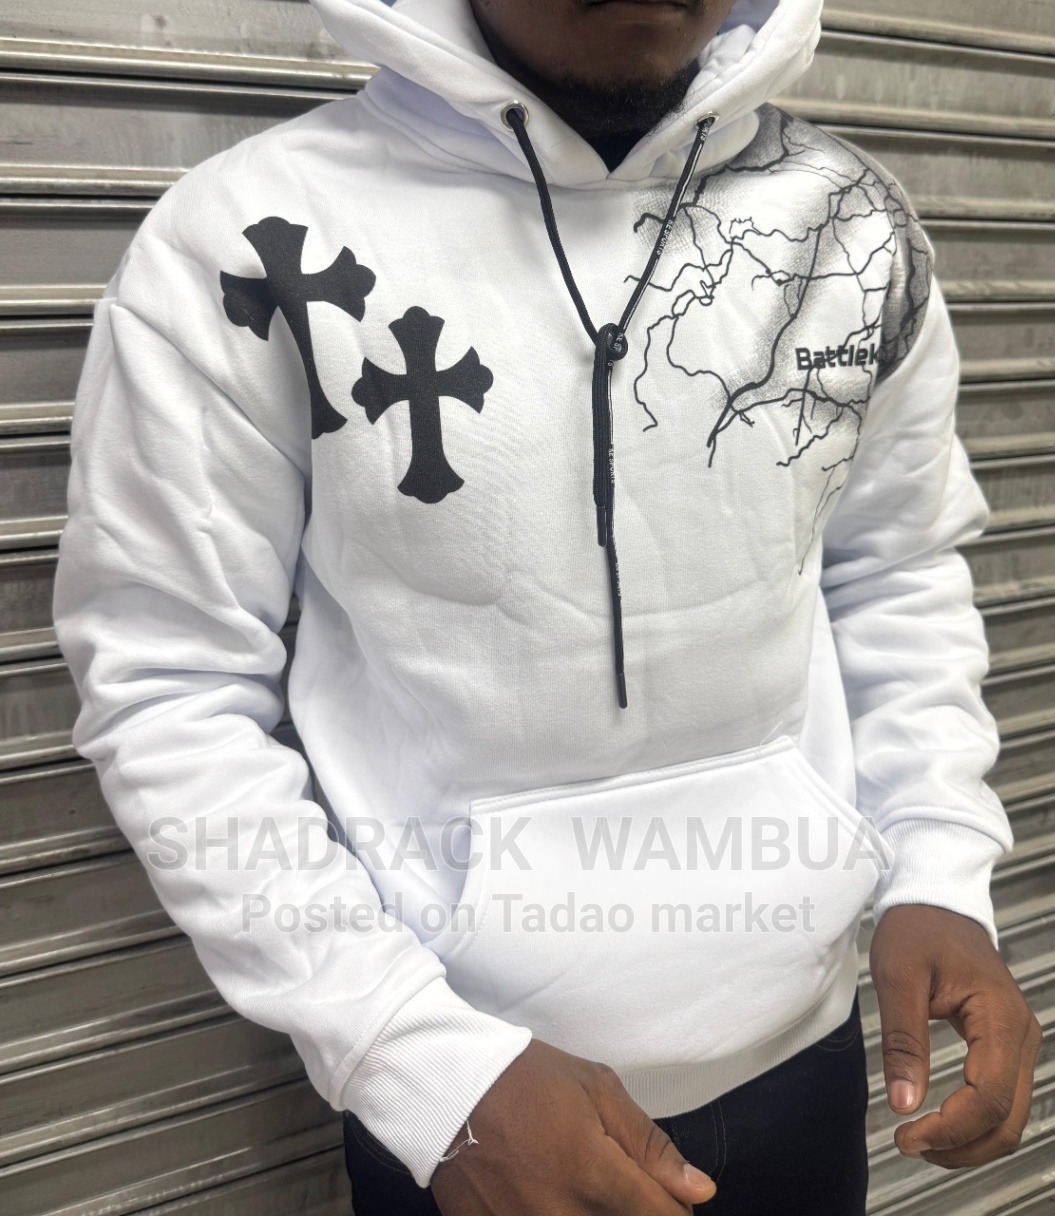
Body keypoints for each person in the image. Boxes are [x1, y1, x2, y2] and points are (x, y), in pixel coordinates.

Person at [53, 0, 1042, 1212]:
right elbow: (167, 686)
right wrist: (418, 1061)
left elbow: (892, 568)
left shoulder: (849, 223)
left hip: (809, 1050)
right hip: (472, 1104)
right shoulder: (248, 235)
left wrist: (936, 867)